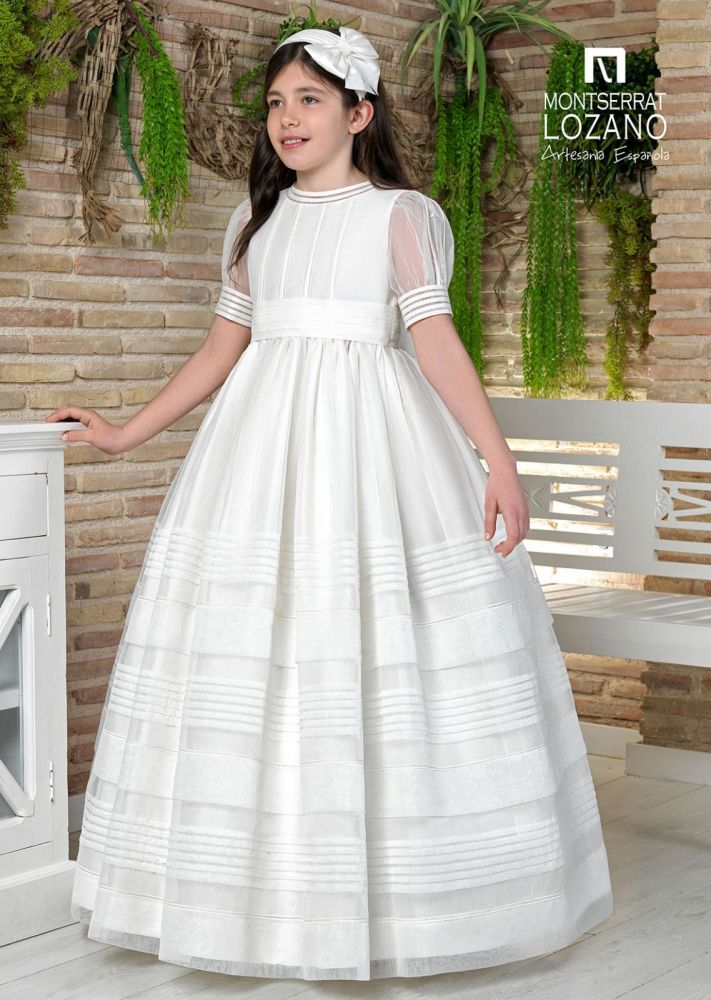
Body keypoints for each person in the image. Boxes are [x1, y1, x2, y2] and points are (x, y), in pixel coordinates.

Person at [46, 24, 613, 982]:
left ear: (359, 113)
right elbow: (221, 351)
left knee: (373, 643)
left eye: (309, 99)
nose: (287, 118)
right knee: (257, 648)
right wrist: (123, 433)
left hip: (373, 455)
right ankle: (259, 898)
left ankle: (393, 895)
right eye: (276, 102)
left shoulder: (400, 215)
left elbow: (435, 344)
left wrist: (497, 462)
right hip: (259, 457)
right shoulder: (252, 223)